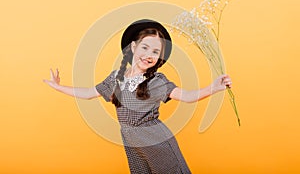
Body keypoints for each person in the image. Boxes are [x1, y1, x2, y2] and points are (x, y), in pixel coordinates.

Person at [43, 19, 232, 174]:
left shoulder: (156, 81)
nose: (149, 55)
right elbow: (89, 93)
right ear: (133, 47)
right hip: (132, 141)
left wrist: (213, 88)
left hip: (157, 140)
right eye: (145, 47)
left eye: (156, 52)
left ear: (159, 58)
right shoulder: (116, 78)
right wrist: (59, 87)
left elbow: (187, 96)